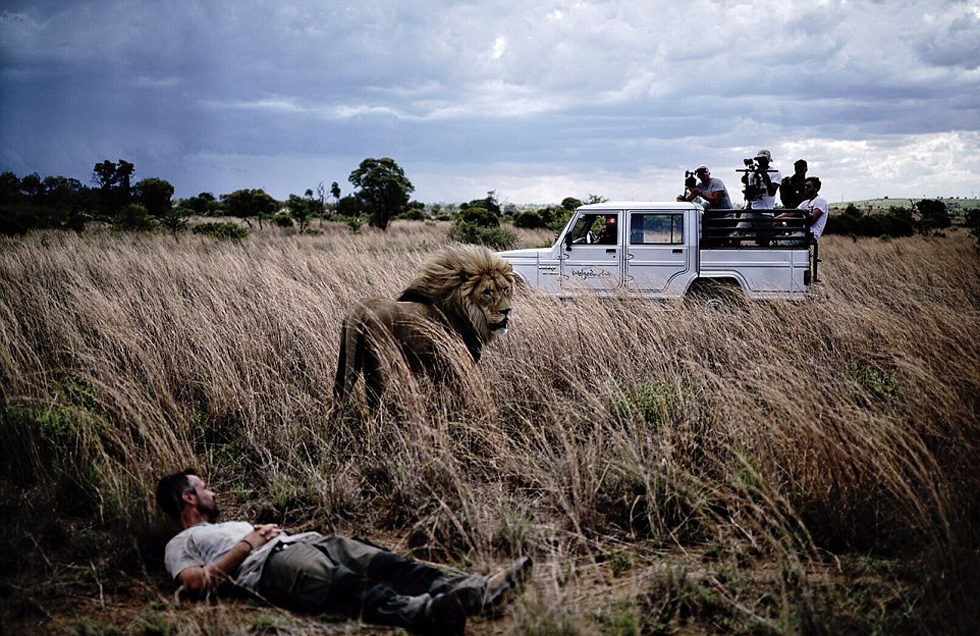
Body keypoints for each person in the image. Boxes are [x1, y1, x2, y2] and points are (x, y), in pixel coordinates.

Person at [156, 469, 532, 636]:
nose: (212, 493)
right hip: (272, 565)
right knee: (350, 586)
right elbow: (194, 583)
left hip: (305, 541)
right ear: (189, 497)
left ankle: (477, 590)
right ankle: (428, 615)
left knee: (387, 563)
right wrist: (248, 544)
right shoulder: (180, 544)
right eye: (204, 488)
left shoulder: (223, 523)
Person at [737, 149, 783, 244]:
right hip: (751, 209)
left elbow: (772, 192)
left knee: (763, 241)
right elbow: (750, 193)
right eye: (759, 160)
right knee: (738, 232)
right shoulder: (753, 174)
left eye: (763, 159)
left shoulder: (775, 172)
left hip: (766, 212)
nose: (761, 162)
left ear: (768, 160)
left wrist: (765, 176)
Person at [775, 176, 829, 244]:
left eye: (808, 186)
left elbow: (812, 220)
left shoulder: (820, 200)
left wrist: (785, 219)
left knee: (782, 243)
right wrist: (777, 218)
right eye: (805, 186)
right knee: (777, 238)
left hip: (810, 234)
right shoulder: (806, 203)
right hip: (803, 232)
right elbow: (791, 213)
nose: (806, 188)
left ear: (816, 188)